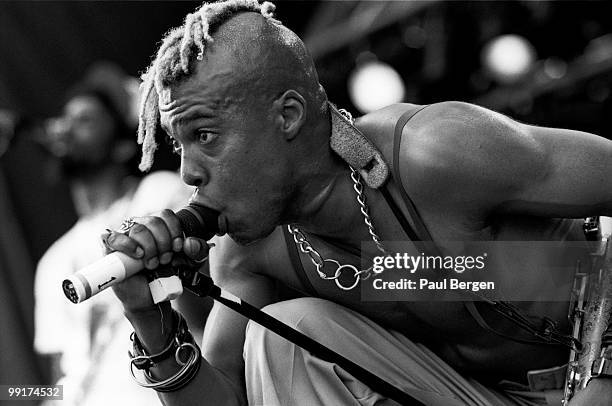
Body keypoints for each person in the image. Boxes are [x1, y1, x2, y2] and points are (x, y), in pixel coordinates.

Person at [103, 1, 612, 405]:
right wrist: (151, 320)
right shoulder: (251, 251)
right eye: (180, 145)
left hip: (595, 362)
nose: (188, 171)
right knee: (287, 337)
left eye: (206, 134)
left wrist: (605, 373)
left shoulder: (433, 152)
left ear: (288, 115)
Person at [33, 64, 197, 406]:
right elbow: (58, 379)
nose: (65, 129)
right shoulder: (52, 261)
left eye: (85, 120)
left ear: (123, 145)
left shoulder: (159, 195)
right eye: (66, 119)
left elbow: (201, 304)